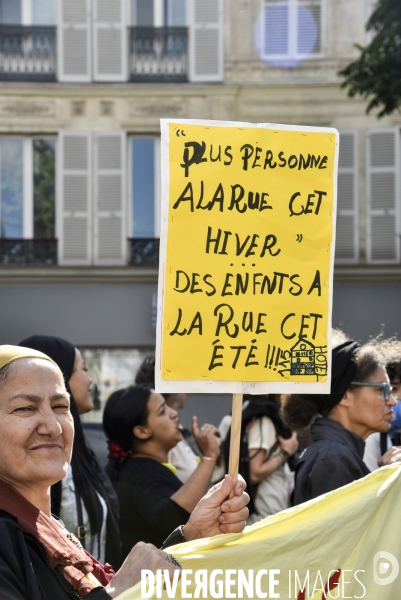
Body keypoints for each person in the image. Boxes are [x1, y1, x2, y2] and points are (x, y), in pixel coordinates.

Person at [0, 345, 249, 599]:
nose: (53, 427)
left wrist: (192, 536)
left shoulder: (48, 527)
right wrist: (119, 589)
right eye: (24, 409)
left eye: (61, 406)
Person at [19, 335, 122, 567]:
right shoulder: (40, 460)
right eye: (83, 369)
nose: (90, 380)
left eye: (60, 408)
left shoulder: (80, 455)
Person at [103, 385, 221, 557]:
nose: (173, 413)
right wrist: (210, 456)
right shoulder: (143, 472)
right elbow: (171, 518)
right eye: (162, 412)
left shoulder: (133, 468)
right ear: (142, 431)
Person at [282, 340, 400, 505]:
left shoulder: (336, 455)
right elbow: (347, 530)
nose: (393, 402)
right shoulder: (333, 460)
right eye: (382, 390)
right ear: (345, 395)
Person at [223, 394, 298, 524]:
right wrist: (285, 453)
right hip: (266, 510)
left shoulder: (247, 411)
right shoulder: (264, 419)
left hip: (264, 509)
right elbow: (255, 472)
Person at [135, 356, 200, 483]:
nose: (174, 414)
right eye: (183, 382)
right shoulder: (161, 435)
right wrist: (210, 457)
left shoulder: (174, 431)